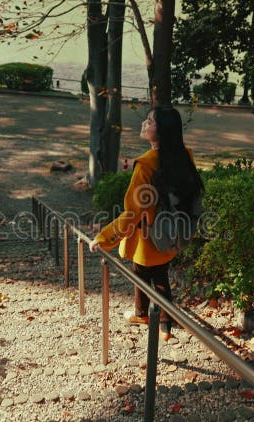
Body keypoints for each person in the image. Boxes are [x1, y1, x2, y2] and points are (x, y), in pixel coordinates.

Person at [89, 106, 203, 341]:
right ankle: (159, 323)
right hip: (172, 231)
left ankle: (158, 320)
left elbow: (132, 212)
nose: (144, 123)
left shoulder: (146, 164)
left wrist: (104, 238)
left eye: (149, 121)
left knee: (149, 275)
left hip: (148, 236)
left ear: (161, 131)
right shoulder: (184, 155)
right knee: (156, 274)